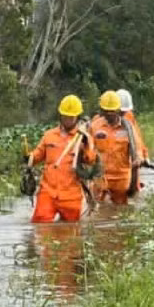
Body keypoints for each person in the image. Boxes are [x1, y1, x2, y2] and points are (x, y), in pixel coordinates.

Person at [27, 94, 96, 223]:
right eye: (65, 116)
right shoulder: (49, 135)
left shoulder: (83, 138)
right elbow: (37, 155)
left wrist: (86, 145)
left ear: (77, 117)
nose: (68, 120)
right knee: (40, 225)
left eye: (71, 117)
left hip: (71, 195)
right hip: (48, 192)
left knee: (71, 233)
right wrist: (29, 158)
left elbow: (90, 160)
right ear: (60, 115)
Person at [90, 90, 143, 205]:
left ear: (118, 110)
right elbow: (87, 149)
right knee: (98, 209)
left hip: (121, 178)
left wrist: (139, 158)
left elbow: (138, 148)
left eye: (112, 111)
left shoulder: (128, 128)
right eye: (106, 110)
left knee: (120, 209)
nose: (109, 113)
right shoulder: (94, 126)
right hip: (100, 177)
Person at [116, 89, 148, 196]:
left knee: (131, 192)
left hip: (128, 163)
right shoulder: (100, 121)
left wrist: (143, 156)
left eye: (124, 112)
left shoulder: (129, 118)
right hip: (111, 166)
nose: (122, 114)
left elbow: (138, 141)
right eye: (120, 111)